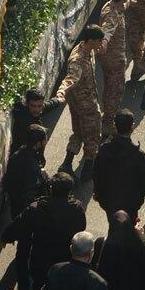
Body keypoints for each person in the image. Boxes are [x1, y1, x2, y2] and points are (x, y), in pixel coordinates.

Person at [4, 172, 87, 290]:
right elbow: (81, 228)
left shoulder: (37, 208)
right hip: (64, 258)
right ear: (70, 191)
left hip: (40, 258)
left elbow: (19, 224)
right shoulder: (77, 208)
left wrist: (6, 237)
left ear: (51, 189)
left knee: (37, 284)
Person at [56, 26, 106, 177]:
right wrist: (61, 91)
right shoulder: (78, 60)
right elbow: (71, 78)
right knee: (93, 133)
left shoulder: (87, 49)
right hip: (86, 104)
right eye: (99, 41)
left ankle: (67, 163)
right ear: (91, 41)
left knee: (78, 132)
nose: (101, 43)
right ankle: (88, 168)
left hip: (78, 102)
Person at [95, 110, 145, 218]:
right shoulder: (137, 154)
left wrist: (98, 193)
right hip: (131, 204)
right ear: (132, 127)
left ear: (115, 126)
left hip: (109, 201)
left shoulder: (104, 150)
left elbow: (97, 174)